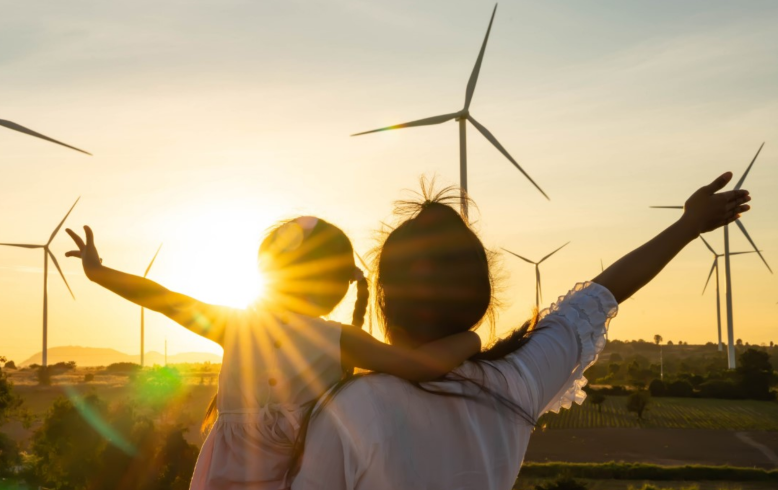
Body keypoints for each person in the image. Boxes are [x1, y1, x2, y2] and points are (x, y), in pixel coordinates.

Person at [289, 173, 751, 490]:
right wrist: (689, 225)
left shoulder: (350, 410)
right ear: (481, 296)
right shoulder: (515, 384)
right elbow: (602, 294)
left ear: (384, 298)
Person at [65, 216, 482, 490]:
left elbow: (160, 297)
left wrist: (97, 272)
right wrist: (471, 340)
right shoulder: (338, 338)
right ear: (336, 287)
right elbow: (418, 366)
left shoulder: (237, 324)